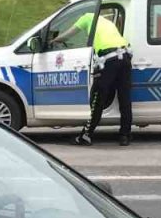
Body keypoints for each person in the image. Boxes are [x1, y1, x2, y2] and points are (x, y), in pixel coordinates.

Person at [56, 10, 133, 147]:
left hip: (109, 59)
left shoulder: (86, 17)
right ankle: (124, 136)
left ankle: (86, 135)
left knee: (97, 98)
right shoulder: (106, 22)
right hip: (125, 56)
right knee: (124, 98)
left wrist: (54, 40)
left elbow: (68, 34)